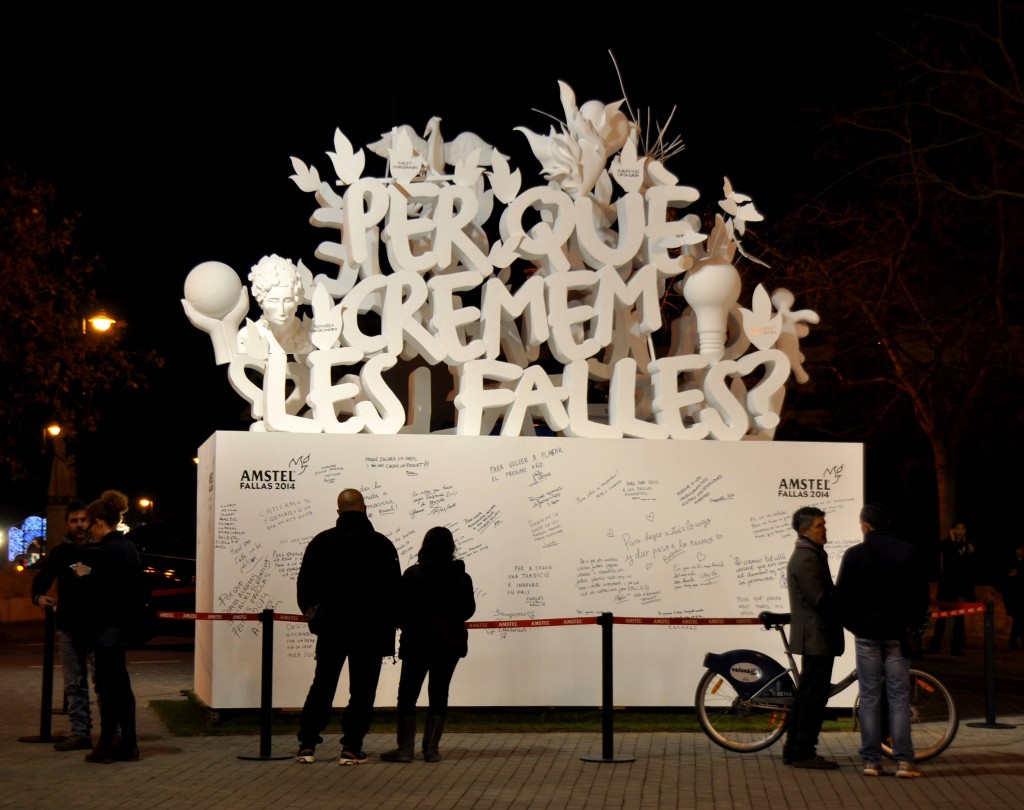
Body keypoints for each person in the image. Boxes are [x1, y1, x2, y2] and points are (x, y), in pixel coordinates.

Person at [295, 488, 401, 765]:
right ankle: (351, 747)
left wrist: (316, 619)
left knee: (322, 685)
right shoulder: (382, 545)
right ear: (365, 508)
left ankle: (307, 744)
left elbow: (305, 587)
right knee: (363, 691)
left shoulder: (321, 542)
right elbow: (394, 591)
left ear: (339, 511)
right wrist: (390, 624)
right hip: (371, 630)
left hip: (332, 628)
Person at [835, 503, 929, 778]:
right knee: (899, 697)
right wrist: (910, 625)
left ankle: (871, 761)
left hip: (866, 634)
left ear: (865, 525)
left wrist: (855, 626)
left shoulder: (855, 555)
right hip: (898, 635)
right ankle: (904, 761)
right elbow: (920, 597)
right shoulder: (908, 552)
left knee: (869, 696)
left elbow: (843, 598)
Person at [381, 526, 476, 763]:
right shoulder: (461, 577)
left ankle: (404, 749)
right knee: (439, 692)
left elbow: (398, 609)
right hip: (449, 642)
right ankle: (431, 750)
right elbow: (467, 610)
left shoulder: (414, 575)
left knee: (407, 694)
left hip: (417, 642)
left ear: (425, 546)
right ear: (451, 547)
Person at [75, 489, 144, 764]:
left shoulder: (107, 551)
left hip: (106, 633)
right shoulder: (128, 547)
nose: (88, 530)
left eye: (90, 524)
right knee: (123, 690)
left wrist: (85, 577)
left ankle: (105, 746)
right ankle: (129, 744)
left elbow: (102, 595)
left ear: (100, 522)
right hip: (123, 630)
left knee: (109, 691)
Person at [31, 500, 99, 751]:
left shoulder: (101, 549)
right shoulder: (60, 553)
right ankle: (80, 733)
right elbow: (41, 581)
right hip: (68, 626)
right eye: (74, 521)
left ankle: (112, 733)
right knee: (74, 683)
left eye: (83, 520)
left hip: (98, 626)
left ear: (90, 521)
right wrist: (39, 597)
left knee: (103, 682)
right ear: (67, 524)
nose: (80, 525)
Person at [782, 506, 844, 769]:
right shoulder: (807, 558)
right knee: (813, 697)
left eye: (824, 524)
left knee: (808, 694)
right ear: (804, 530)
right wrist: (846, 598)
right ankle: (803, 751)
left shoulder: (812, 554)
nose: (825, 529)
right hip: (816, 637)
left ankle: (794, 749)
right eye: (820, 525)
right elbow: (820, 599)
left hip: (816, 636)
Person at [247, 253, 312, 354]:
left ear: (297, 300)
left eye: (288, 301)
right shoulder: (248, 336)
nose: (281, 311)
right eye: (273, 301)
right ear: (261, 301)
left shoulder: (309, 335)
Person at [928, 520, 975, 655]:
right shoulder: (946, 543)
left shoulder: (967, 546)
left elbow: (967, 566)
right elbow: (949, 556)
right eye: (957, 528)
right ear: (953, 530)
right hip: (948, 586)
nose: (960, 531)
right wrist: (953, 541)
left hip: (961, 587)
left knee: (959, 618)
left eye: (962, 528)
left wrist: (970, 551)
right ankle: (935, 645)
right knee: (942, 615)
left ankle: (956, 647)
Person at [1003, 544, 1024, 650]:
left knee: (1019, 619)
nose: (1021, 551)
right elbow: (1005, 579)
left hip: (1021, 596)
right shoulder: (1010, 563)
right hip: (1013, 596)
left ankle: (1013, 641)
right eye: (1019, 549)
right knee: (1018, 619)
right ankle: (1013, 642)